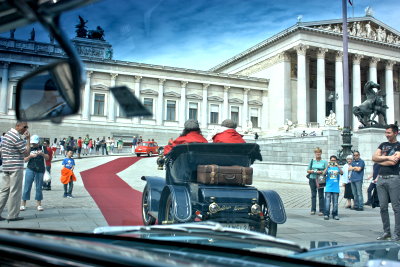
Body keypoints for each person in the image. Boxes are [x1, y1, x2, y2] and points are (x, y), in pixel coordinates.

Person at [372, 124, 400, 241]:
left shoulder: (399, 146)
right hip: (381, 179)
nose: (386, 135)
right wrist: (388, 158)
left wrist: (380, 159)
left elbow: (394, 162)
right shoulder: (382, 145)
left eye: (389, 133)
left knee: (396, 207)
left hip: (394, 178)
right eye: (386, 133)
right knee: (383, 207)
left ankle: (397, 233)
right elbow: (374, 157)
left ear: (395, 133)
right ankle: (386, 232)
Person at [0, 121, 31, 221]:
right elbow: (26, 153)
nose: (26, 129)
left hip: (6, 166)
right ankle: (13, 215)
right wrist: (28, 140)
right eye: (24, 127)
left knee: (4, 191)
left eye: (27, 127)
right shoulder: (15, 137)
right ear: (17, 126)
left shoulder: (7, 135)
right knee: (15, 191)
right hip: (15, 167)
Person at [20, 135, 49, 212]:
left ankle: (39, 204)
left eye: (35, 143)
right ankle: (23, 204)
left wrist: (42, 154)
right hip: (30, 169)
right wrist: (30, 156)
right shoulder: (29, 148)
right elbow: (25, 160)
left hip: (40, 170)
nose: (34, 144)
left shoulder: (43, 147)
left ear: (38, 142)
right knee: (27, 186)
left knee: (39, 187)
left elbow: (47, 158)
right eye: (32, 143)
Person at [306, 147, 327, 216]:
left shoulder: (324, 162)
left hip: (320, 178)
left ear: (321, 153)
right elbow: (308, 170)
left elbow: (326, 170)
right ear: (315, 153)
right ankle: (313, 209)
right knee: (313, 195)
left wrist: (321, 172)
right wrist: (314, 171)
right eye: (316, 152)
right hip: (312, 178)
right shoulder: (312, 161)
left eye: (319, 152)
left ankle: (321, 210)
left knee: (321, 195)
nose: (318, 153)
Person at [323, 155, 343, 220]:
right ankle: (326, 214)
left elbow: (342, 173)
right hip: (328, 187)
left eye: (334, 160)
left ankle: (335, 214)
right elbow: (323, 173)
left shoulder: (337, 168)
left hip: (336, 188)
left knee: (335, 202)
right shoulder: (328, 168)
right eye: (331, 160)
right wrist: (327, 167)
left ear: (336, 161)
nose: (333, 161)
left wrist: (338, 166)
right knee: (327, 202)